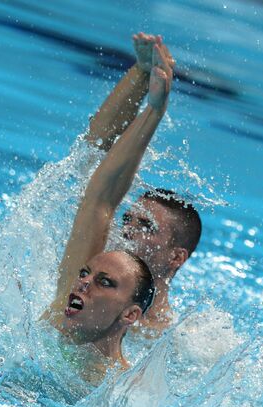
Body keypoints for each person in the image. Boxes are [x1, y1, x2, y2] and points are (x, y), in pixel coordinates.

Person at [41, 37, 173, 381]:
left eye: (103, 282)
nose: (82, 283)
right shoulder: (56, 322)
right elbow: (100, 198)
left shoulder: (117, 388)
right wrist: (145, 85)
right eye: (85, 273)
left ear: (130, 314)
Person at [82, 33, 202, 334]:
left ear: (176, 257)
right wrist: (141, 72)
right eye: (127, 219)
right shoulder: (87, 284)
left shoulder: (183, 340)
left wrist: (154, 110)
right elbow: (95, 157)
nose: (126, 230)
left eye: (145, 226)